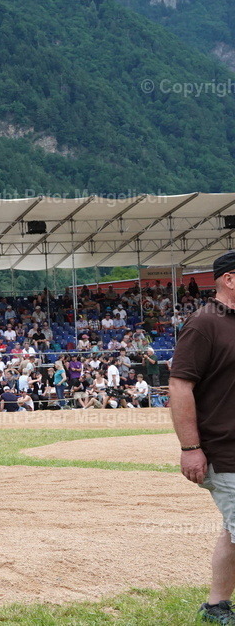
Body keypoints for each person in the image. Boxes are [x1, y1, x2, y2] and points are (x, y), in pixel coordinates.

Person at [170, 250, 235, 624]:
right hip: (224, 451)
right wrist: (191, 448)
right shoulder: (204, 322)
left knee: (232, 531)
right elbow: (179, 385)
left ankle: (216, 605)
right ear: (228, 279)